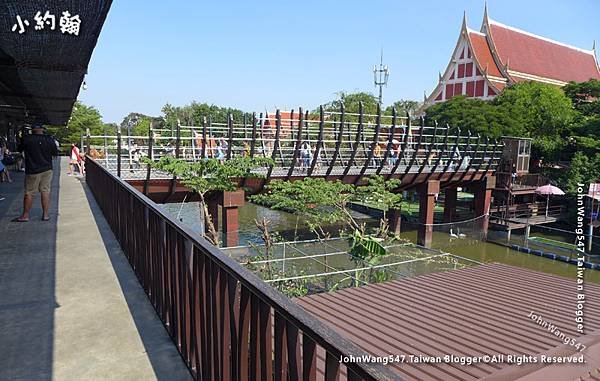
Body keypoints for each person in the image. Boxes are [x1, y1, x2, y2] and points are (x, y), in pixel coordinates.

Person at [15, 124, 58, 222]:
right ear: (42, 129)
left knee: (29, 192)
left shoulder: (27, 139)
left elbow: (19, 150)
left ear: (33, 129)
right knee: (45, 191)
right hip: (47, 169)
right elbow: (55, 154)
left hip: (32, 170)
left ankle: (25, 215)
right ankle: (46, 215)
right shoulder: (49, 139)